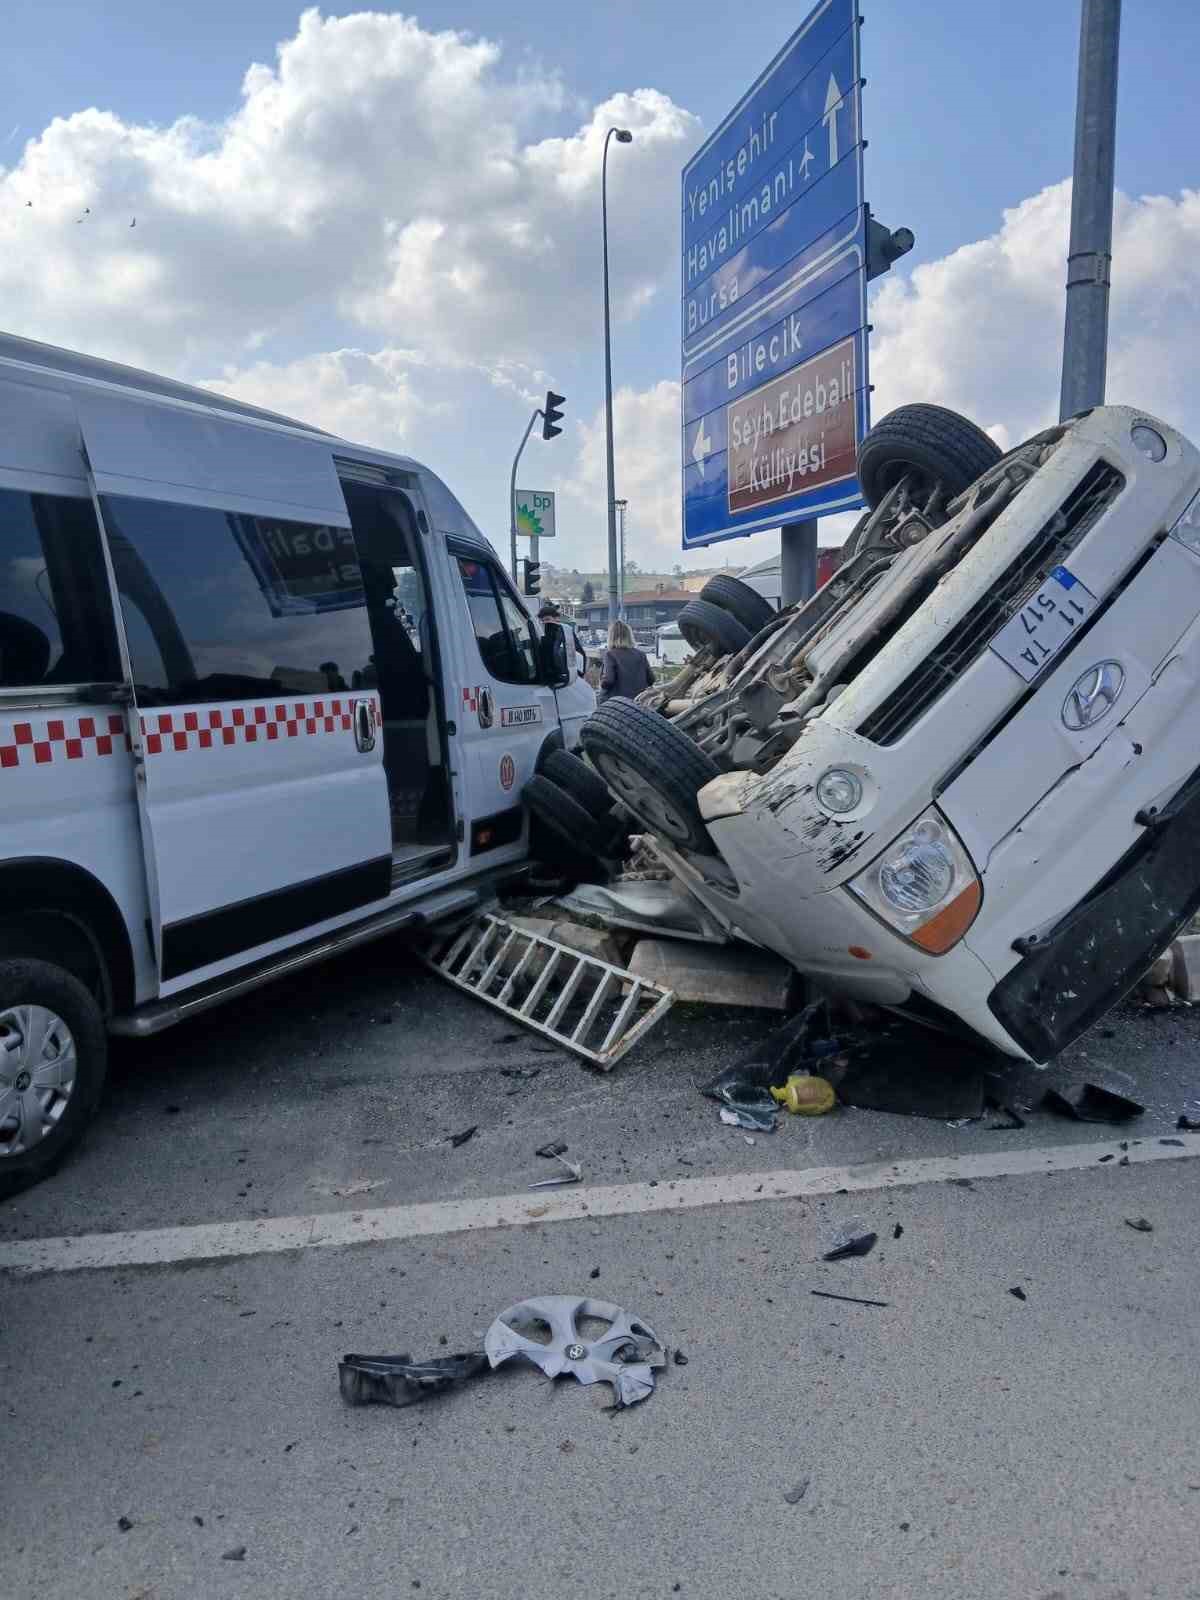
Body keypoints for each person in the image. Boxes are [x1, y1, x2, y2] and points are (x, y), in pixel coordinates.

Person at [599, 618, 654, 703]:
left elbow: (608, 681)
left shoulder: (610, 655)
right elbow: (651, 679)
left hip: (618, 704)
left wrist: (601, 682)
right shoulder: (641, 654)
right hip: (640, 702)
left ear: (611, 637)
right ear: (629, 636)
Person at [538, 599, 586, 678]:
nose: (545, 623)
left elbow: (579, 653)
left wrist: (580, 674)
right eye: (542, 621)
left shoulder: (565, 632)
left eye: (547, 619)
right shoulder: (541, 634)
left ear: (557, 618)